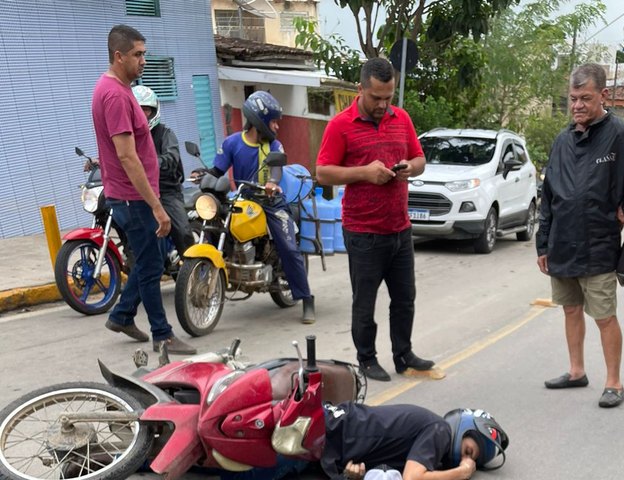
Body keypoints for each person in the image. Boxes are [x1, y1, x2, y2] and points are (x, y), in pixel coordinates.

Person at [536, 63, 624, 407]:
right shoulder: (562, 140)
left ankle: (614, 382)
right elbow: (549, 194)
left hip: (598, 243)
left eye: (585, 98)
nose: (578, 106)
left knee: (603, 315)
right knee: (570, 309)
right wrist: (543, 243)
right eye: (573, 99)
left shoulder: (622, 135)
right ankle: (575, 371)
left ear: (604, 95)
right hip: (561, 244)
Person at [315, 57, 435, 382]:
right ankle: (366, 359)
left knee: (405, 298)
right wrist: (364, 174)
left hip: (400, 227)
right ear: (361, 89)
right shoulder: (340, 125)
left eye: (389, 97)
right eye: (376, 97)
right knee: (364, 303)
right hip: (363, 232)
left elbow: (420, 157)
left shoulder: (402, 118)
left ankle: (403, 354)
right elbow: (323, 172)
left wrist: (411, 167)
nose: (383, 104)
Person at [93, 25, 195, 355]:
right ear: (118, 55)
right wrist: (156, 205)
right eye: (137, 54)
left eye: (145, 54)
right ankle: (162, 334)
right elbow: (126, 155)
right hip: (133, 197)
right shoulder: (115, 95)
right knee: (151, 266)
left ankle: (122, 315)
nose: (143, 61)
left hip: (129, 194)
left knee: (150, 258)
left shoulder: (117, 90)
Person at [210, 90, 315, 324]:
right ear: (260, 121)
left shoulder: (274, 145)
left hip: (270, 201)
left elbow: (276, 171)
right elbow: (217, 170)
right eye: (273, 121)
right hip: (242, 199)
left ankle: (306, 299)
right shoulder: (232, 143)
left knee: (288, 247)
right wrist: (203, 175)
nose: (276, 127)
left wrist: (272, 183)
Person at [320, 402, 508, 480]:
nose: (464, 460)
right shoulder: (440, 430)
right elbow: (413, 478)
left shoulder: (433, 448)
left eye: (471, 461)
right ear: (462, 428)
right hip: (327, 430)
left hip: (331, 445)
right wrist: (461, 472)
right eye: (468, 452)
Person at [133, 85, 195, 258]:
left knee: (183, 232)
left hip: (166, 191)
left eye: (147, 110)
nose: (143, 114)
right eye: (139, 110)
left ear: (154, 111)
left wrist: (152, 163)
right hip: (140, 191)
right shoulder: (130, 135)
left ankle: (193, 267)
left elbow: (172, 155)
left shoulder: (165, 134)